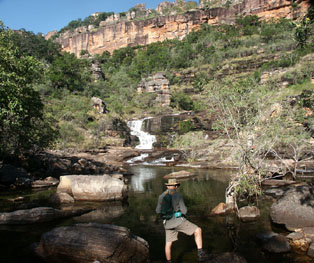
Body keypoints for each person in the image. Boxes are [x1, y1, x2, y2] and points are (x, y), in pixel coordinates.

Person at [156, 178, 209, 263]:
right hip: (178, 221)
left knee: (168, 244)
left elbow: (158, 211)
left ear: (168, 186)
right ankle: (200, 255)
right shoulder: (178, 195)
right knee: (198, 230)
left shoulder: (161, 196)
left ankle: (169, 261)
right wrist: (179, 214)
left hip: (167, 224)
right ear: (176, 186)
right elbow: (184, 210)